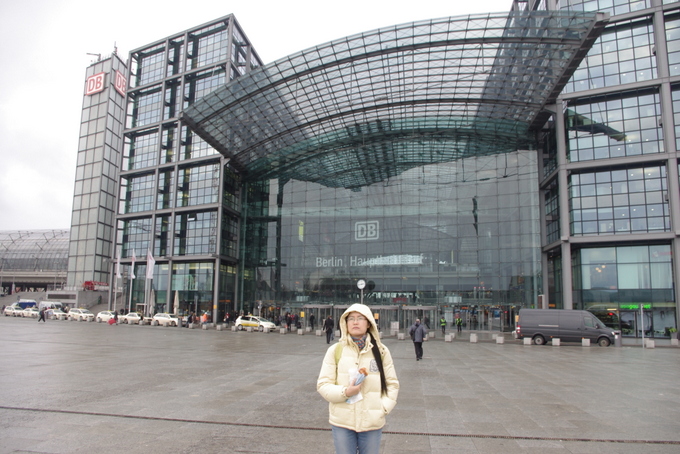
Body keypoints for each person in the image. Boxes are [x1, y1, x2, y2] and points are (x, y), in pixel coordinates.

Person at [317, 303, 399, 454]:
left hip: (372, 421)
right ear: (345, 323)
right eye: (351, 319)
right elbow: (323, 384)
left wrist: (383, 408)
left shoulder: (381, 351)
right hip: (342, 421)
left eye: (360, 318)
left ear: (368, 323)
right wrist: (346, 392)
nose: (355, 322)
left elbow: (392, 384)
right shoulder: (335, 350)